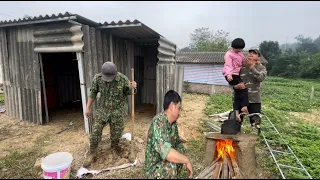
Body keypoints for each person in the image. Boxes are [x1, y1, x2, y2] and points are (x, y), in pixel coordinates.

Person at [83, 61, 137, 167]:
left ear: (115, 73)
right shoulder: (97, 79)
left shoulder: (123, 79)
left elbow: (130, 92)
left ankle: (115, 147)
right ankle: (92, 152)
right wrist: (88, 107)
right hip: (103, 109)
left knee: (116, 135)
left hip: (117, 110)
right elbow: (93, 92)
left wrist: (134, 87)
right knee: (95, 132)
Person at [144, 90, 193, 179]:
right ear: (171, 106)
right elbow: (167, 153)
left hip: (163, 161)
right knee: (171, 166)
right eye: (178, 108)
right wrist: (186, 160)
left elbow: (177, 143)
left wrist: (182, 156)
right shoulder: (158, 122)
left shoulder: (172, 123)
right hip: (153, 168)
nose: (179, 112)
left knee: (180, 150)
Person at [233, 48, 267, 125]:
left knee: (255, 123)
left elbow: (261, 78)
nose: (251, 54)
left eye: (254, 53)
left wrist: (251, 67)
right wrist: (235, 86)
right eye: (249, 52)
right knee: (235, 122)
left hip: (254, 100)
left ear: (258, 57)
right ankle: (235, 136)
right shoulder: (240, 67)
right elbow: (231, 80)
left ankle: (255, 136)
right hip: (240, 99)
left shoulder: (261, 68)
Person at [223, 38, 249, 120]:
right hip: (231, 75)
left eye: (240, 49)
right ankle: (243, 107)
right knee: (243, 88)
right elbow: (228, 65)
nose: (238, 50)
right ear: (233, 47)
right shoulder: (229, 54)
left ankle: (237, 112)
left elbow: (244, 63)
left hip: (236, 75)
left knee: (239, 91)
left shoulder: (241, 55)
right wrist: (228, 75)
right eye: (236, 48)